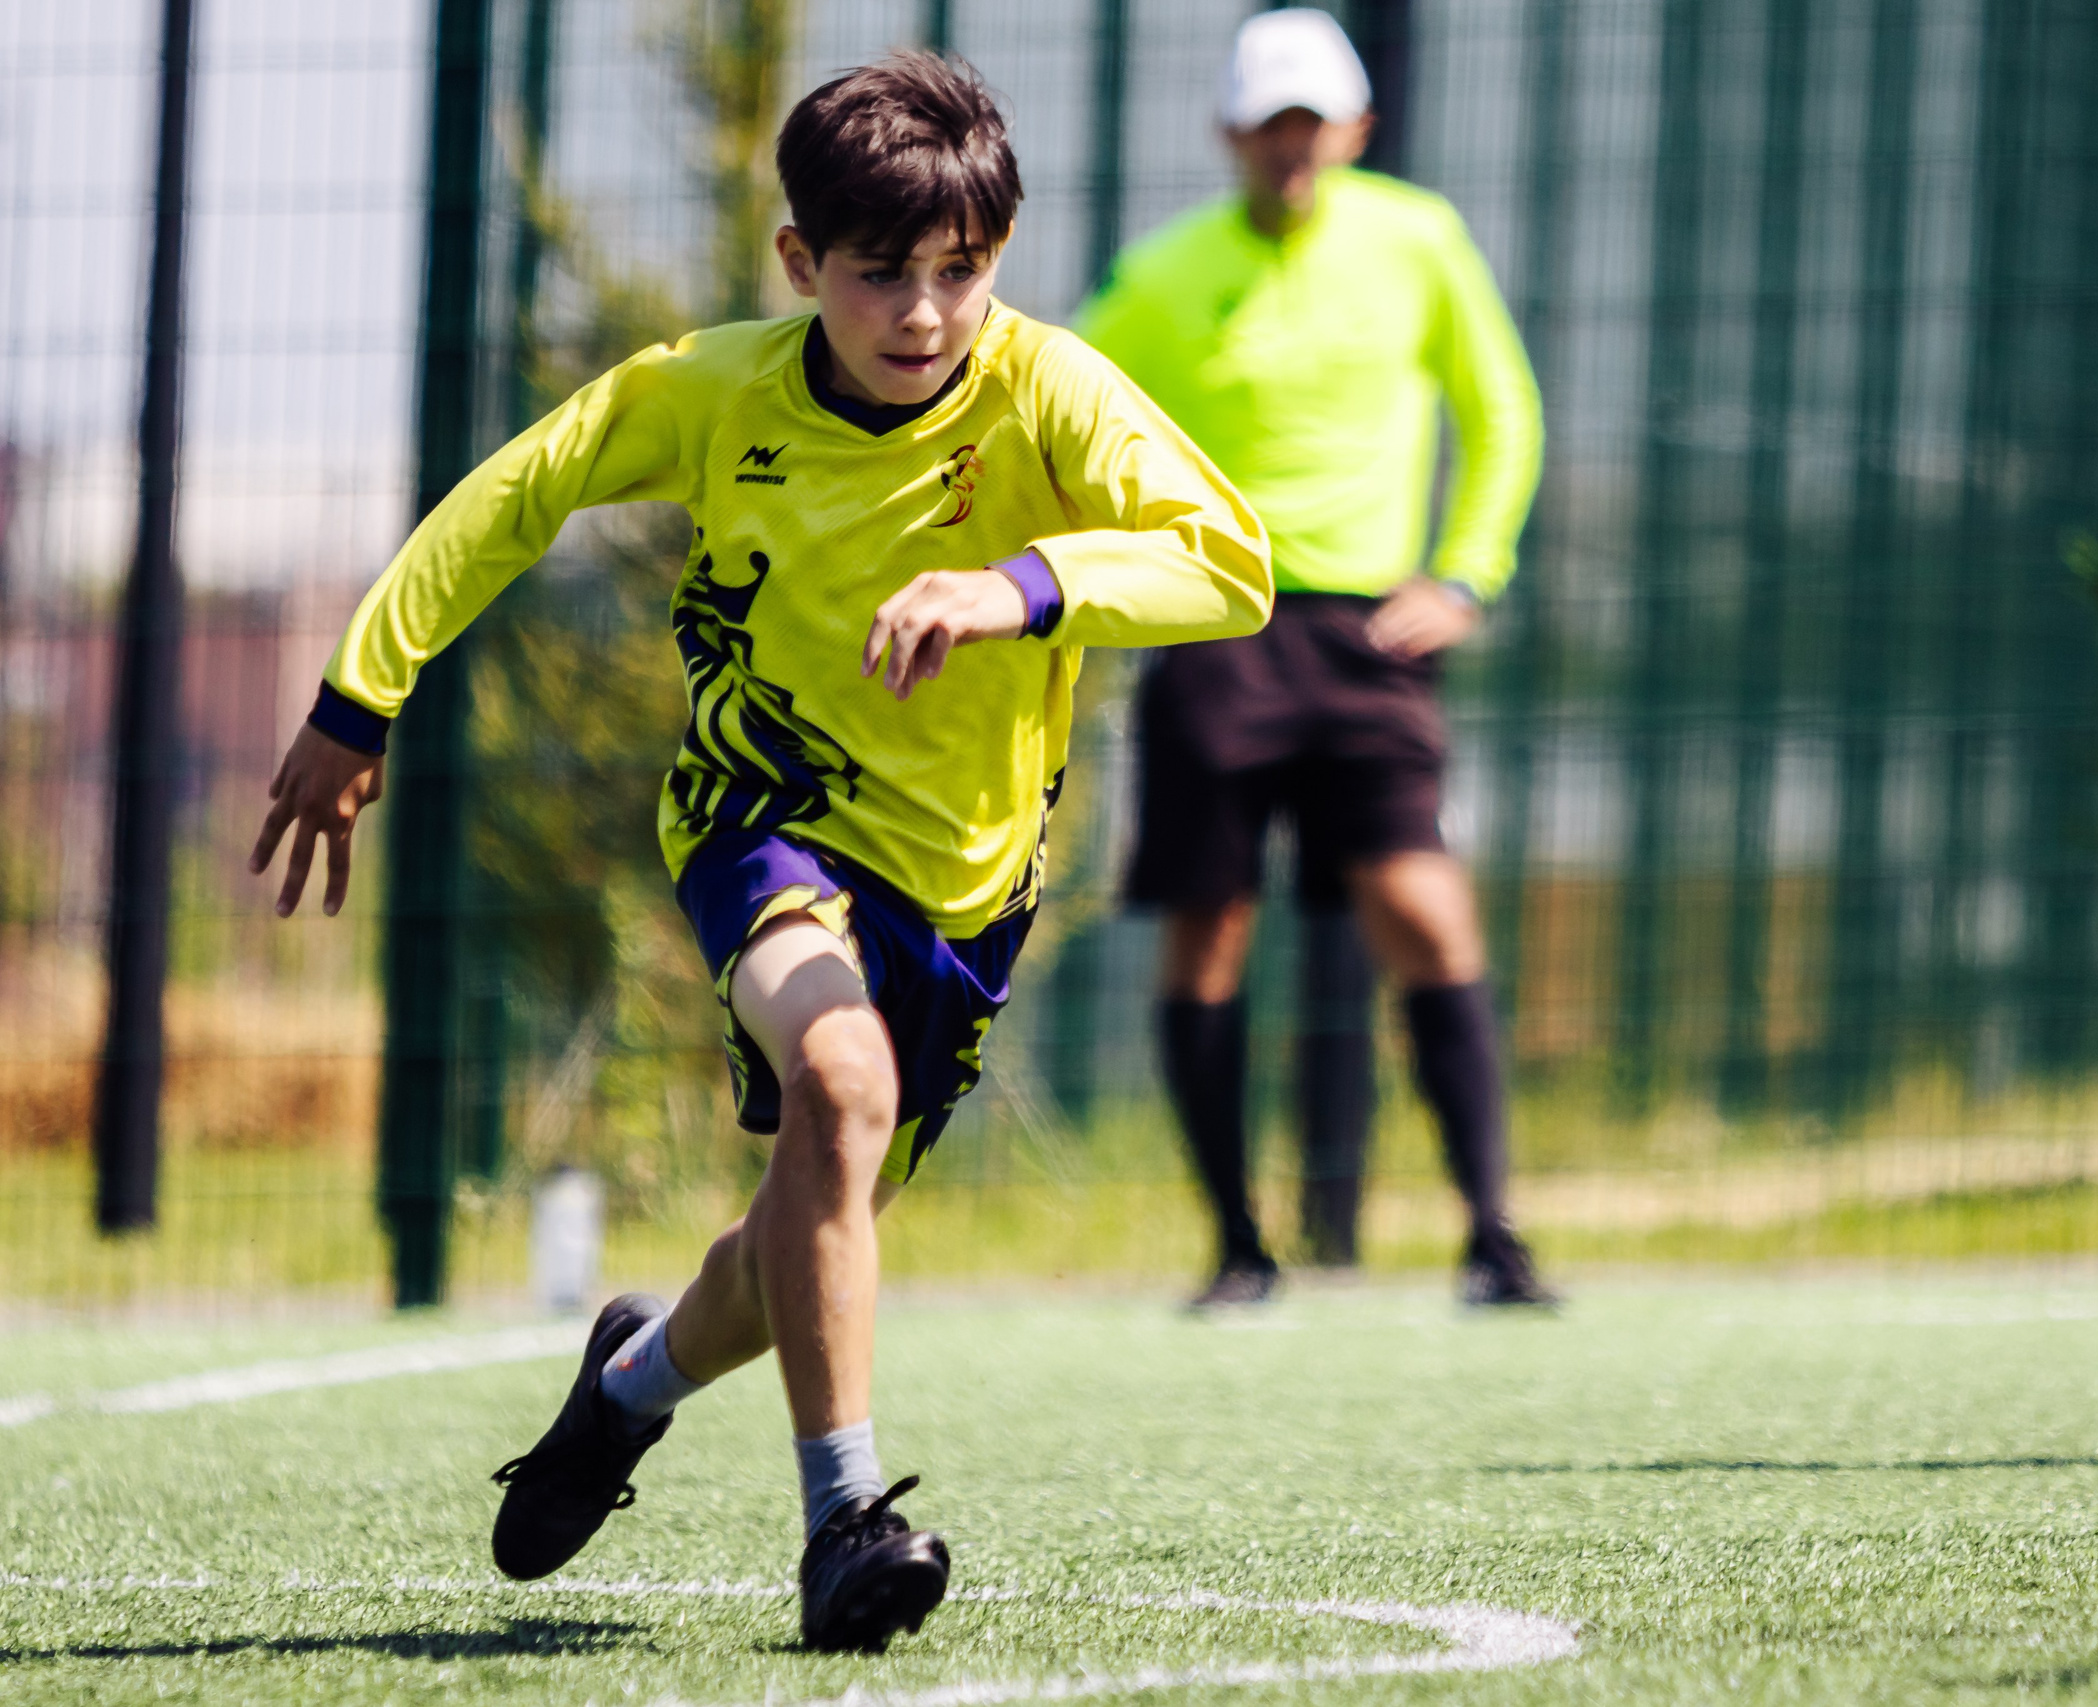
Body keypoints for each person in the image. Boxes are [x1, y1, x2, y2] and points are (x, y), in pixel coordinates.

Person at [248, 53, 1269, 1653]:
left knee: (808, 1207)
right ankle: (843, 1520)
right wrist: (357, 693)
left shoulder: (1050, 391)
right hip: (763, 823)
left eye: (962, 269)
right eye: (882, 272)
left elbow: (1231, 563)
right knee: (840, 1089)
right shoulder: (715, 394)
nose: (927, 310)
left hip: (968, 891)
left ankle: (631, 1377)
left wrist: (1015, 585)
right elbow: (516, 497)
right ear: (801, 264)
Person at [1077, 10, 1551, 1308]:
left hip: (1368, 639)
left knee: (1422, 903)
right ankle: (1238, 1243)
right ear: (1231, 133)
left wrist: (1466, 572)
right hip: (1210, 632)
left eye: (1311, 123)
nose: (1291, 147)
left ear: (1355, 129)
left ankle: (1493, 1234)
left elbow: (1501, 409)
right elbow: (1051, 422)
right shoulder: (1159, 276)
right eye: (1268, 124)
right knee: (1209, 928)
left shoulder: (1420, 240)